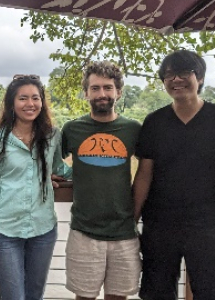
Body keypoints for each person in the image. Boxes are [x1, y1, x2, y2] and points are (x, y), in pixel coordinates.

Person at [133, 49, 215, 300]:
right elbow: (144, 174)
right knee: (156, 293)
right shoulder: (154, 122)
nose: (176, 80)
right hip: (159, 225)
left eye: (184, 73)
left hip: (207, 225)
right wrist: (131, 220)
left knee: (209, 293)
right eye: (168, 75)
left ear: (199, 77)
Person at [0, 74, 71, 300]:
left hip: (43, 229)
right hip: (4, 230)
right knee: (13, 296)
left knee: (34, 295)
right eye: (23, 98)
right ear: (11, 103)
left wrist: (92, 173)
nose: (30, 104)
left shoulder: (51, 136)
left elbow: (58, 166)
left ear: (42, 102)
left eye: (35, 98)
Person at [61, 61, 142, 300]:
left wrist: (135, 215)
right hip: (84, 231)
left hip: (124, 231)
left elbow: (148, 169)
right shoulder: (72, 129)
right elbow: (52, 162)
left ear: (118, 91)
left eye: (108, 88)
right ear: (86, 93)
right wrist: (60, 177)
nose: (102, 94)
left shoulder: (132, 129)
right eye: (95, 88)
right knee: (84, 296)